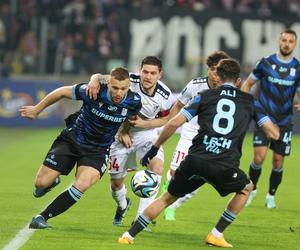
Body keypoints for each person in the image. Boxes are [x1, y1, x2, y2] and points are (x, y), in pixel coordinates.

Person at [118, 58, 280, 247]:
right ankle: (216, 234)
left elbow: (173, 123)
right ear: (238, 81)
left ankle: (128, 236)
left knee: (167, 198)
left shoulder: (205, 96)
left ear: (218, 78)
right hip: (224, 164)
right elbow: (274, 133)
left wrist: (154, 148)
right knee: (246, 188)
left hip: (196, 159)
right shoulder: (249, 101)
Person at [19, 67, 142, 229]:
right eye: (115, 88)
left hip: (97, 150)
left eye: (123, 89)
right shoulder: (94, 91)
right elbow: (62, 92)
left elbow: (130, 117)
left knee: (83, 183)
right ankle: (52, 181)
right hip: (71, 140)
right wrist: (36, 110)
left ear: (128, 87)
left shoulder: (134, 101)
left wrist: (125, 132)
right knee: (40, 183)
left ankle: (42, 217)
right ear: (109, 83)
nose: (119, 93)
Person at [87, 56, 173, 227]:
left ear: (159, 75)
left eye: (153, 73)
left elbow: (166, 119)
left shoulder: (165, 95)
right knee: (116, 183)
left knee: (156, 168)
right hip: (119, 134)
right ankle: (122, 205)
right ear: (139, 71)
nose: (148, 76)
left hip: (147, 134)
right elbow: (99, 77)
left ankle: (141, 219)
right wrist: (93, 80)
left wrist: (145, 124)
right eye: (145, 72)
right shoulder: (128, 80)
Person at [162, 51, 230, 221]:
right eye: (214, 70)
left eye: (220, 71)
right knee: (175, 172)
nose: (217, 76)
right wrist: (168, 128)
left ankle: (174, 205)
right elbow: (178, 105)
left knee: (197, 182)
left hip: (210, 140)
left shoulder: (228, 91)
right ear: (207, 69)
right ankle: (165, 195)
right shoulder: (195, 85)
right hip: (190, 134)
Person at [241, 29, 300, 209]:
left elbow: (298, 94)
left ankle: (271, 195)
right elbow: (248, 83)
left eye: (291, 41)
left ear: (295, 44)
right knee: (259, 158)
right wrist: (243, 103)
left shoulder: (298, 68)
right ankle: (253, 189)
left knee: (278, 161)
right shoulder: (265, 63)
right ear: (279, 41)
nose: (287, 44)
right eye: (284, 40)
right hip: (264, 118)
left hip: (284, 122)